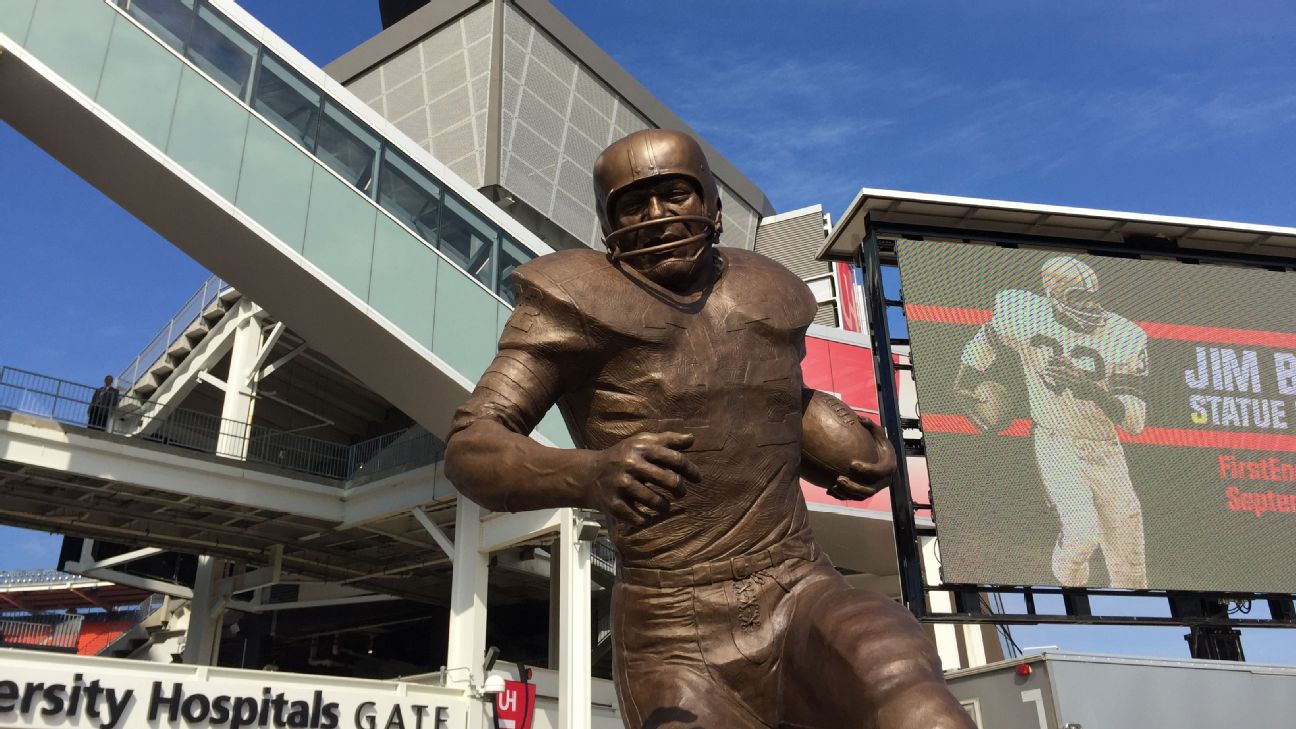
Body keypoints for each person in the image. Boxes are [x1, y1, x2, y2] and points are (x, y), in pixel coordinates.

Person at [446, 129, 973, 729]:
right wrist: (590, 472)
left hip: (796, 583)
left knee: (902, 679)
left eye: (674, 195)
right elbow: (472, 444)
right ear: (604, 224)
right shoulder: (573, 299)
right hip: (672, 623)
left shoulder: (765, 292)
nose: (656, 217)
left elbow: (774, 400)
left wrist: (854, 446)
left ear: (713, 207)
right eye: (632, 204)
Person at [953, 255, 1150, 589]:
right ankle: (1074, 600)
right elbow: (988, 340)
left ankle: (1134, 616)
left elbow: (1135, 419)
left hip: (1105, 448)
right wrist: (964, 382)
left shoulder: (1125, 336)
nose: (1086, 306)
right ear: (1052, 295)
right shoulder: (1023, 312)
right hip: (1055, 439)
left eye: (1090, 297)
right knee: (1083, 535)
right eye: (1076, 297)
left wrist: (1090, 390)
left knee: (1132, 566)